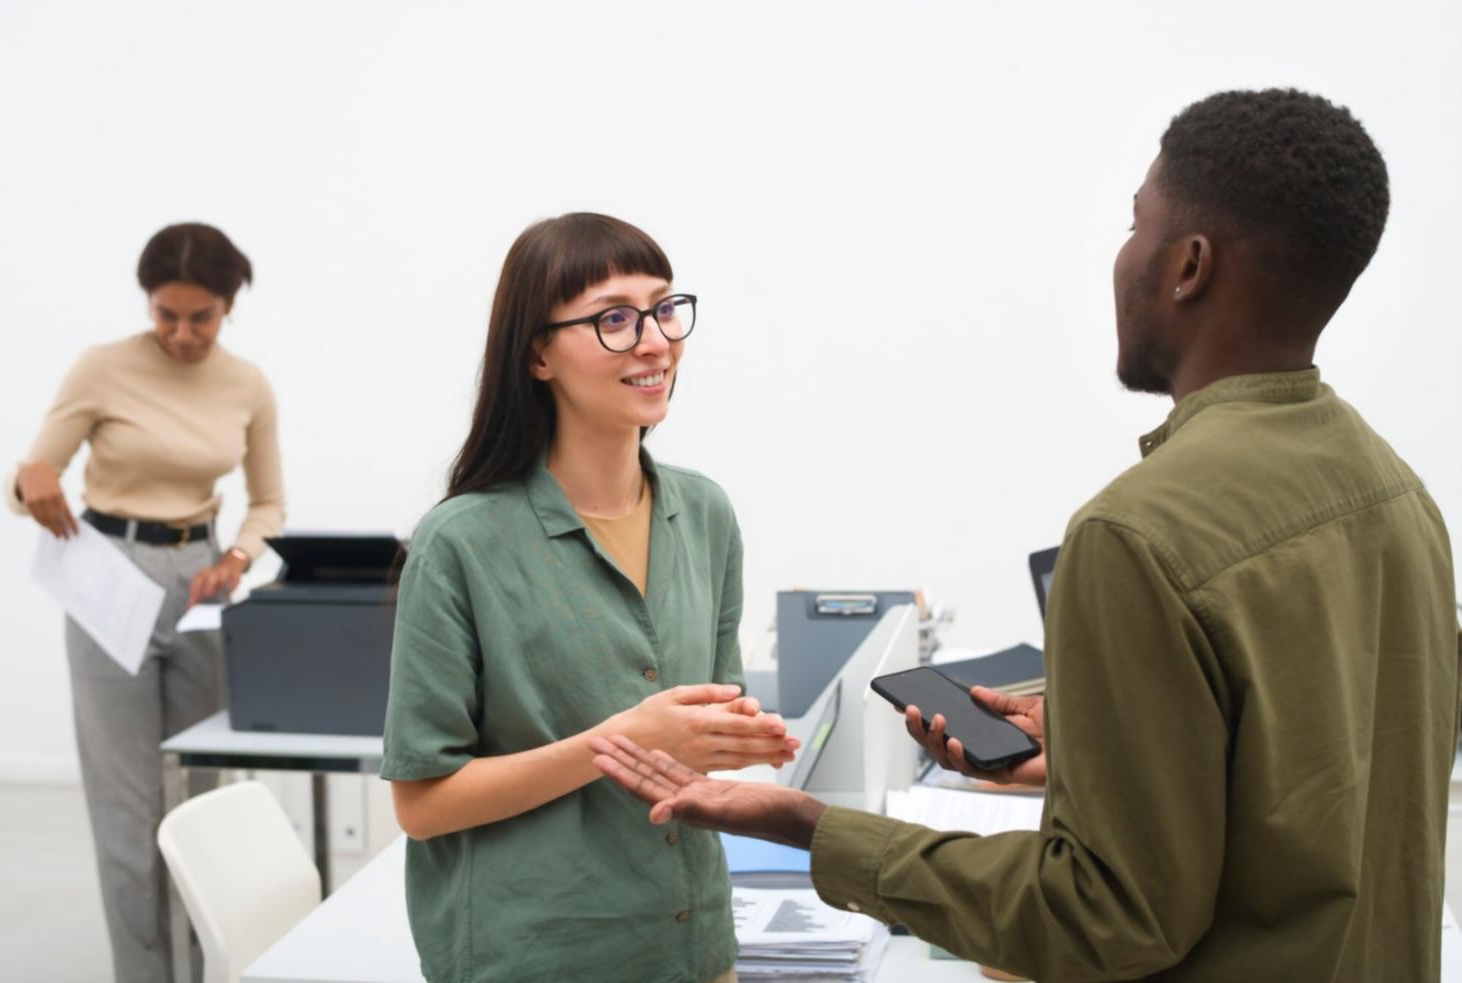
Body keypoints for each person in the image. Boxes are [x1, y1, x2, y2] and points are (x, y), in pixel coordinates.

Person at [593, 89, 1461, 980]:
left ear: (1189, 265)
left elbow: (1105, 915)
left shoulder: (1135, 535)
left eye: (1137, 225)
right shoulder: (1397, 492)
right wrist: (1095, 754)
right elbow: (1316, 776)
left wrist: (816, 829)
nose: (1123, 255)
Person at [380, 213, 800, 983]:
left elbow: (700, 728)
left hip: (693, 948)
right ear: (538, 353)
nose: (655, 340)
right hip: (535, 957)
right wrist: (623, 741)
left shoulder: (705, 513)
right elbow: (423, 803)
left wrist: (735, 739)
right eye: (614, 318)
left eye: (664, 308)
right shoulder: (460, 543)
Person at [9, 221, 286, 983]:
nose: (182, 333)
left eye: (201, 317)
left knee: (196, 798)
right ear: (148, 303)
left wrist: (237, 556)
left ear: (228, 306)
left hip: (202, 577)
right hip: (109, 572)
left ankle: (205, 968)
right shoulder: (102, 368)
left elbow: (269, 502)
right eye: (166, 314)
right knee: (127, 809)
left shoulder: (248, 384)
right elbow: (33, 476)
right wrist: (30, 479)